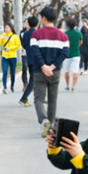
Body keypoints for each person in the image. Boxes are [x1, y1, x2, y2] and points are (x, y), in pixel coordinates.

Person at [30, 8, 68, 138]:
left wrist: (43, 66)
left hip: (39, 71)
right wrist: (52, 67)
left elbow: (35, 51)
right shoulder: (63, 36)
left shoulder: (36, 34)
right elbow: (65, 53)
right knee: (53, 99)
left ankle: (43, 120)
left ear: (44, 18)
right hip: (55, 72)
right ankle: (50, 126)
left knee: (39, 99)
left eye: (41, 17)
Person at [18, 16, 39, 108]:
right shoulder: (38, 33)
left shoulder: (25, 34)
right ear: (37, 24)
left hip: (29, 59)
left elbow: (24, 46)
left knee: (34, 79)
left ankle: (40, 97)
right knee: (33, 80)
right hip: (37, 60)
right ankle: (24, 98)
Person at [0, 23, 21, 95]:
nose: (6, 29)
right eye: (5, 28)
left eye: (7, 27)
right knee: (5, 72)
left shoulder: (15, 36)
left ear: (11, 28)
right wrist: (0, 39)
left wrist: (10, 48)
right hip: (5, 57)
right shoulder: (3, 35)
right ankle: (5, 87)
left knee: (12, 73)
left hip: (13, 57)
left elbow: (18, 46)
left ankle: (12, 86)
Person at [62, 17, 82, 92]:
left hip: (67, 54)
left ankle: (67, 85)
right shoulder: (78, 33)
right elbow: (80, 42)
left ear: (67, 25)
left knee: (67, 71)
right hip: (76, 54)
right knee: (75, 71)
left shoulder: (65, 34)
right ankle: (73, 87)